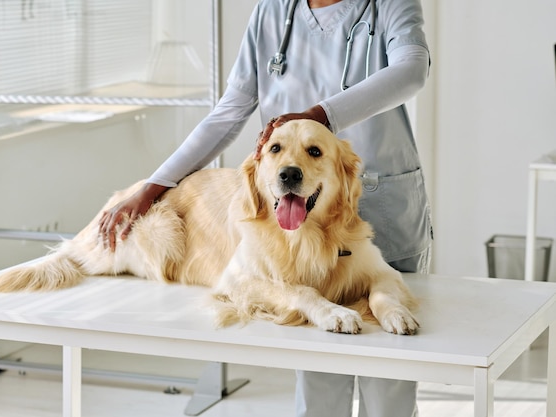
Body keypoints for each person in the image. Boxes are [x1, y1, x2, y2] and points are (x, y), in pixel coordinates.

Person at [99, 0, 432, 416]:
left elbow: (412, 69)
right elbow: (229, 112)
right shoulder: (273, 12)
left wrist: (321, 115)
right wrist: (154, 186)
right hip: (302, 227)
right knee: (319, 368)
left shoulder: (390, 4)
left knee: (390, 377)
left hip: (383, 207)